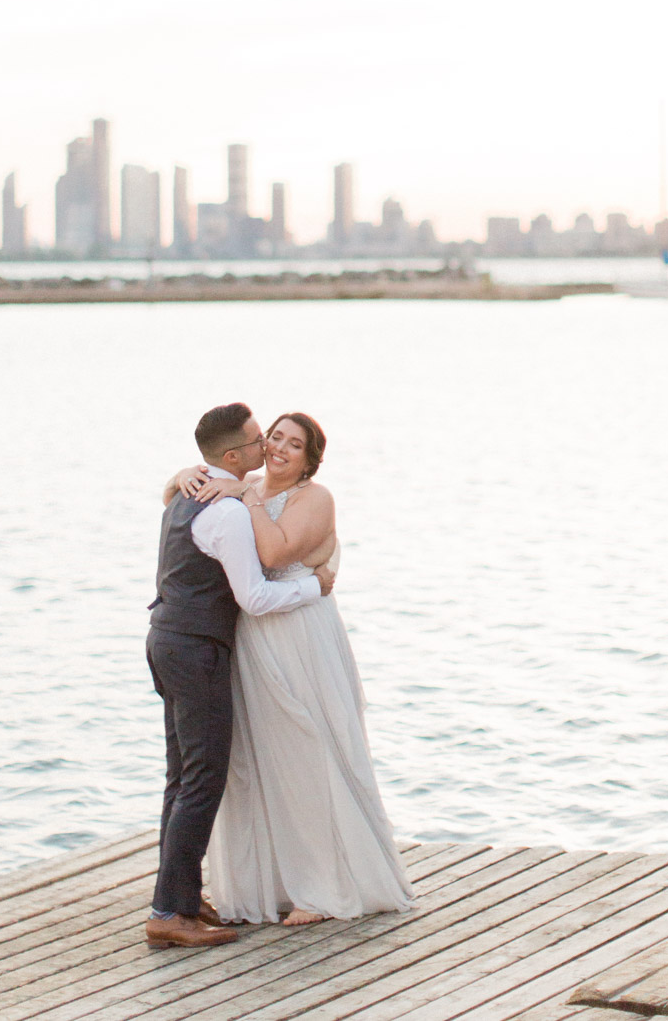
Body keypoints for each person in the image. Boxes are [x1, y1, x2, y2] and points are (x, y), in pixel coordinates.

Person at [163, 410, 414, 926]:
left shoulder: (311, 499)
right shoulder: (244, 485)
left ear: (309, 461)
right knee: (262, 760)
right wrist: (183, 475)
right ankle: (276, 880)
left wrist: (245, 498)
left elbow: (274, 550)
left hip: (301, 634)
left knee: (309, 751)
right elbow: (182, 495)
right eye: (272, 437)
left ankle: (323, 890)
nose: (277, 447)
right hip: (252, 636)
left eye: (292, 445)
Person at [144, 402, 335, 951]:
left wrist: (185, 472)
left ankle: (177, 896)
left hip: (167, 639)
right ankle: (166, 913)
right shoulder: (226, 511)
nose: (265, 449)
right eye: (257, 441)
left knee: (181, 778)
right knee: (202, 781)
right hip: (197, 648)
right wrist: (312, 589)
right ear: (233, 455)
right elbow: (253, 596)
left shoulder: (190, 492)